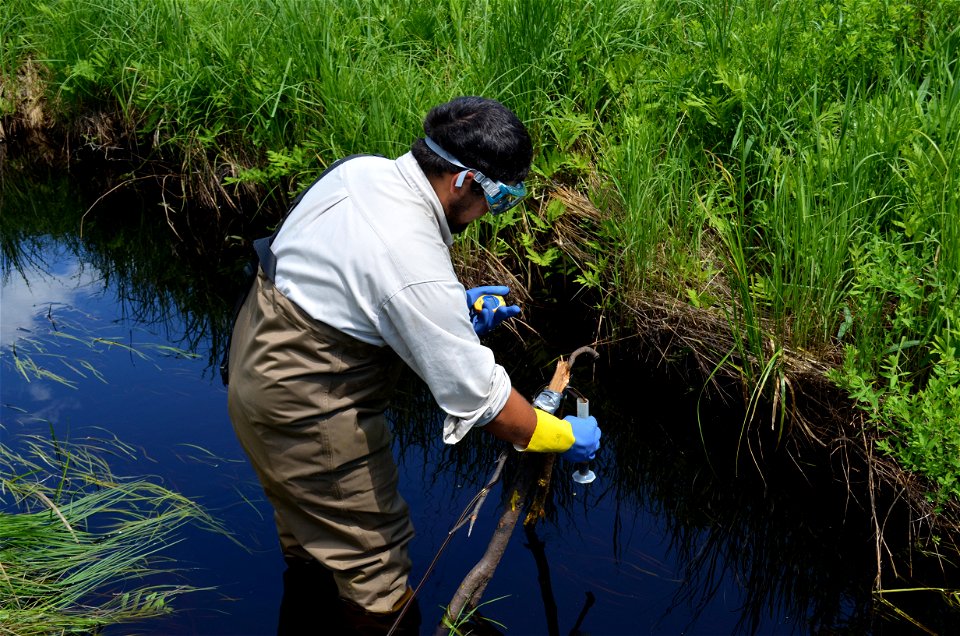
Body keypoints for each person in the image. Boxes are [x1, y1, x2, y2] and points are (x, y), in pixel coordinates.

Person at [226, 96, 602, 635]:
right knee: (377, 582)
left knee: (314, 543)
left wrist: (451, 309)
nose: (489, 216)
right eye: (497, 201)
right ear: (465, 181)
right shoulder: (411, 260)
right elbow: (483, 402)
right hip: (306, 407)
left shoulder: (365, 172)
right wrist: (563, 437)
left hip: (254, 363)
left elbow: (356, 286)